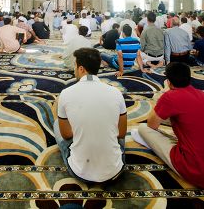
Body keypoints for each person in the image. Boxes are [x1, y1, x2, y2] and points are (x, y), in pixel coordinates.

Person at [54, 48, 127, 182]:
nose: (74, 69)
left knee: (56, 124)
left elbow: (67, 135)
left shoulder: (66, 93)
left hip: (79, 171)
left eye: (75, 66)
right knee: (118, 137)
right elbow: (121, 133)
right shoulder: (116, 92)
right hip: (115, 170)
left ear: (81, 69)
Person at [137, 62, 204, 188]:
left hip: (193, 169)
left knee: (143, 128)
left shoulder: (169, 96)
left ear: (168, 81)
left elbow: (151, 125)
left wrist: (164, 93)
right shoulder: (201, 94)